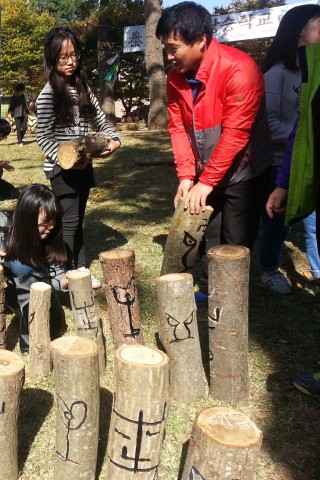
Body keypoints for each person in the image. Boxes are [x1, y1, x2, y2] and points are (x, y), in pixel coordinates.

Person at [156, 2, 273, 303]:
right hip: (207, 168)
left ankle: (232, 301)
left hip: (245, 171)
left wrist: (205, 182)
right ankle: (210, 291)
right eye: (165, 49)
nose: (169, 57)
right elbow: (179, 129)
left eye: (174, 48)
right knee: (208, 230)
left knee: (235, 239)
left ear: (200, 41)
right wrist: (186, 176)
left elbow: (236, 134)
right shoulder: (174, 78)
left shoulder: (241, 69)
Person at [36, 27, 121, 289]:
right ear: (52, 59)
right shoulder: (49, 93)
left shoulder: (82, 88)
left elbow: (100, 120)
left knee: (76, 220)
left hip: (84, 167)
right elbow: (43, 138)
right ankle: (63, 272)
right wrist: (66, 160)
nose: (70, 61)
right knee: (68, 223)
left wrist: (115, 139)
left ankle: (79, 267)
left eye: (74, 55)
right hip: (61, 171)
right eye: (63, 57)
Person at [266, 41, 320, 397]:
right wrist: (285, 181)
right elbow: (300, 129)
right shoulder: (286, 73)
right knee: (291, 227)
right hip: (296, 166)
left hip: (302, 167)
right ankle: (270, 269)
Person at [0, 184, 68, 352]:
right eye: (45, 221)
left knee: (21, 266)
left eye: (54, 219)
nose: (51, 226)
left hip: (29, 291)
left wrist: (66, 280)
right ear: (27, 217)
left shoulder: (53, 235)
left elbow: (54, 281)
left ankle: (25, 313)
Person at [258, 4, 320, 294]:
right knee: (277, 224)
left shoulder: (314, 70)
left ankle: (317, 270)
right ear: (299, 31)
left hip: (310, 160)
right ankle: (269, 270)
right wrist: (307, 140)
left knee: (312, 224)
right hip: (282, 163)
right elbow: (270, 124)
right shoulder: (277, 74)